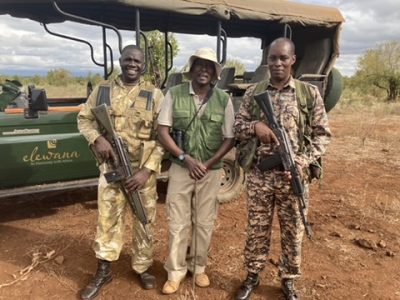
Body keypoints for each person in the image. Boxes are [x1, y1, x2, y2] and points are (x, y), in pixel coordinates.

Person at [234, 37, 331, 300]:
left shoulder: (308, 94)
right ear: (267, 61)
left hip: (293, 177)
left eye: (283, 58)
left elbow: (323, 136)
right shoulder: (255, 93)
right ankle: (252, 276)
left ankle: (288, 280)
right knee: (257, 230)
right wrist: (256, 127)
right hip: (260, 176)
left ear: (292, 60)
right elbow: (236, 128)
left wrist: (300, 162)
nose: (277, 63)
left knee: (292, 231)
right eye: (273, 58)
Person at [77, 45, 164, 300]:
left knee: (144, 220)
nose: (132, 64)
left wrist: (147, 171)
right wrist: (96, 140)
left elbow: (163, 136)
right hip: (111, 170)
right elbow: (84, 119)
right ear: (120, 60)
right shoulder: (102, 90)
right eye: (128, 59)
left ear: (144, 64)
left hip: (141, 173)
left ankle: (142, 267)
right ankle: (104, 270)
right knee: (107, 219)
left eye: (137, 61)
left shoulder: (154, 95)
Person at [157, 48, 235, 294]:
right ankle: (175, 272)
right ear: (191, 70)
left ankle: (198, 268)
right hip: (181, 168)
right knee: (177, 222)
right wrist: (184, 157)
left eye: (209, 66)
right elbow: (163, 131)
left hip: (210, 171)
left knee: (204, 223)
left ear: (214, 73)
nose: (204, 70)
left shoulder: (223, 99)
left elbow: (229, 138)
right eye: (200, 65)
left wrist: (209, 163)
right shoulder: (174, 93)